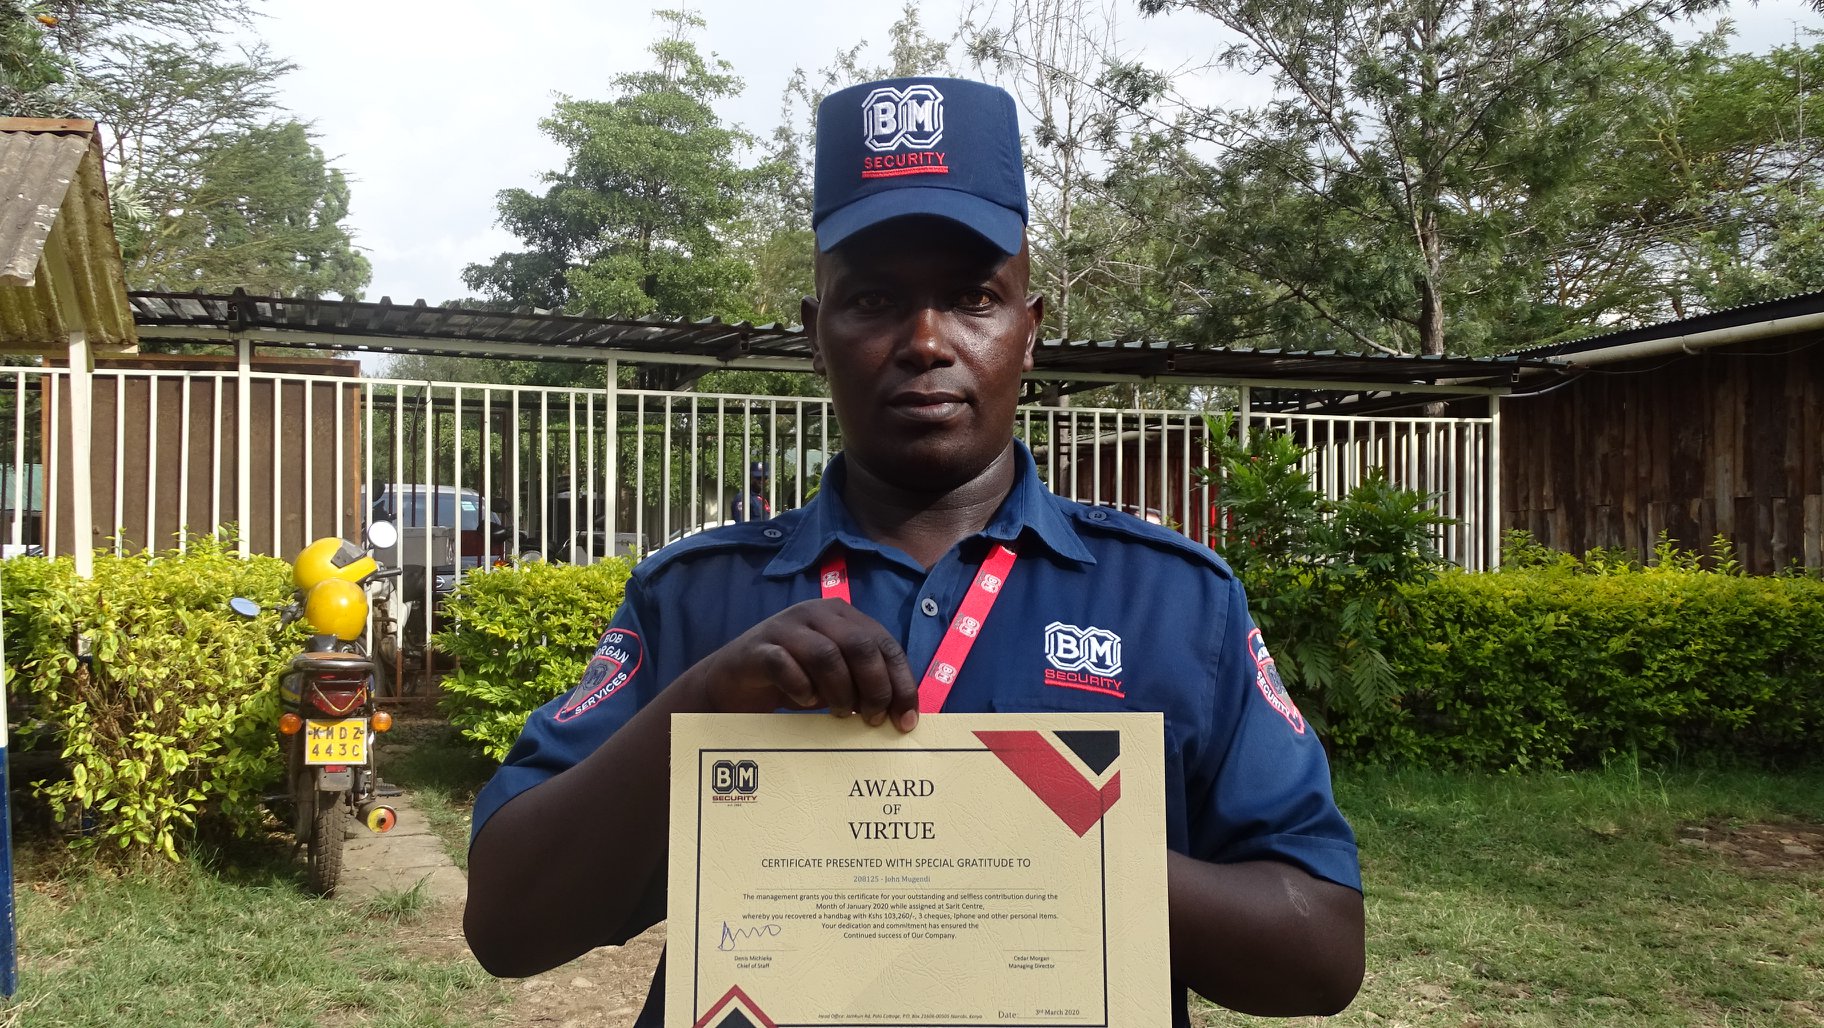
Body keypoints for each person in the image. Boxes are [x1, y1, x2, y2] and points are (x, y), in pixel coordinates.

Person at [464, 76, 1364, 1026]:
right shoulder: (696, 601)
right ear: (817, 338)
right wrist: (700, 707)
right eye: (875, 299)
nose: (925, 341)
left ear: (1029, 332)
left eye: (973, 297)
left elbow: (1320, 956)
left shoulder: (1176, 603)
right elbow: (511, 927)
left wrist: (1032, 845)